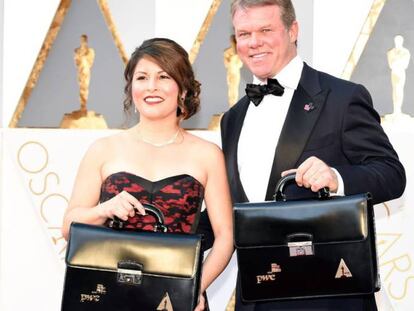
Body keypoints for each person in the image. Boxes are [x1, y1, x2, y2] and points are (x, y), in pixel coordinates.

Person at [200, 0, 406, 310]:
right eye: (243, 33)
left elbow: (391, 173)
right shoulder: (233, 118)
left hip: (328, 293)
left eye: (265, 30)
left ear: (293, 30)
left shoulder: (342, 98)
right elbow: (229, 210)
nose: (253, 42)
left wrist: (335, 178)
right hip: (256, 294)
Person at [61, 37, 234, 311]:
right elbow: (69, 225)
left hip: (177, 300)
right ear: (131, 88)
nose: (151, 86)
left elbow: (226, 236)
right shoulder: (103, 150)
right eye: (142, 77)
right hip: (109, 296)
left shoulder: (207, 154)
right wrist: (103, 210)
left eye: (163, 76)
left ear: (183, 88)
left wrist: (193, 289)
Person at [387, 34, 411, 115]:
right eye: (396, 40)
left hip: (401, 72)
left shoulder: (405, 52)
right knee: (395, 90)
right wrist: (398, 61)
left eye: (399, 40)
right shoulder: (390, 52)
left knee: (399, 90)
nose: (398, 42)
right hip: (394, 72)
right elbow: (391, 64)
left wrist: (396, 61)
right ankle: (395, 109)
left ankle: (398, 109)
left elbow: (405, 64)